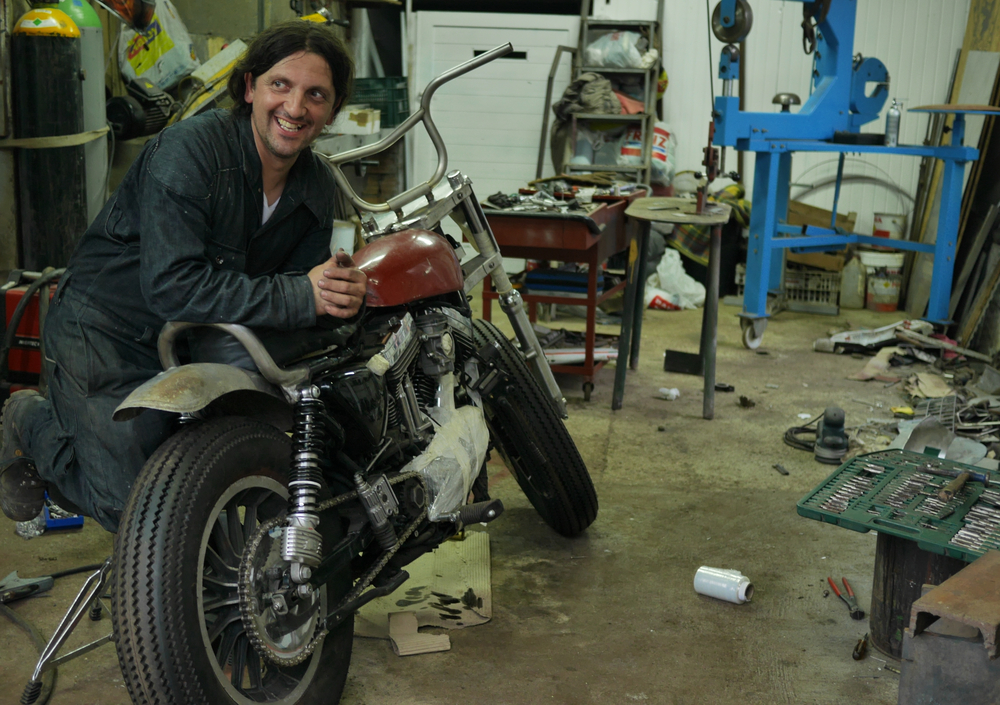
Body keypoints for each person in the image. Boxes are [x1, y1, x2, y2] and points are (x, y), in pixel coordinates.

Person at [0, 20, 366, 532]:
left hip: (197, 339)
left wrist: (342, 296)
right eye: (280, 84)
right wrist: (303, 295)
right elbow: (173, 286)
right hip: (104, 332)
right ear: (250, 87)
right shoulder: (189, 151)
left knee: (197, 495)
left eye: (316, 94)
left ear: (332, 109)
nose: (295, 106)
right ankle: (28, 419)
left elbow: (297, 302)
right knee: (136, 512)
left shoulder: (318, 187)